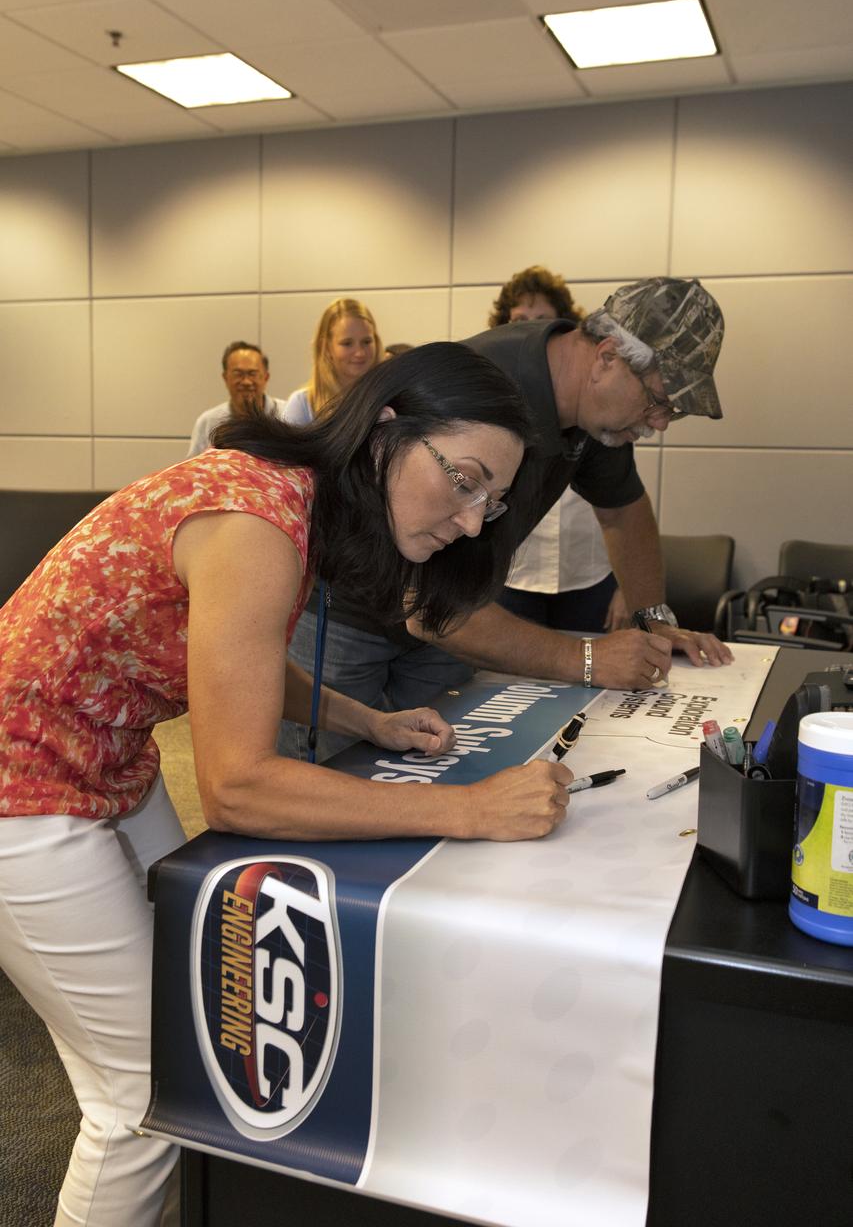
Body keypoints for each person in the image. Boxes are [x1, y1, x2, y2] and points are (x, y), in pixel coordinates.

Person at [0, 342, 572, 1227]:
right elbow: (237, 789)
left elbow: (237, 656)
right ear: (387, 431)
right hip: (20, 787)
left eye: (491, 502)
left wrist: (365, 722)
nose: (470, 521)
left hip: (101, 759)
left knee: (194, 1010)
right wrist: (466, 809)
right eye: (461, 480)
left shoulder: (286, 500)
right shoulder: (258, 517)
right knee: (145, 1092)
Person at [282, 277, 733, 763]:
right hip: (348, 615)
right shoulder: (497, 382)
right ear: (607, 357)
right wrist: (586, 659)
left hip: (444, 615)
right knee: (331, 788)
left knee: (434, 772)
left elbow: (624, 508)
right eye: (658, 400)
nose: (661, 421)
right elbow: (431, 610)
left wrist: (652, 622)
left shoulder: (596, 417)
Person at [489, 265, 629, 633]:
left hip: (588, 575)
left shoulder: (598, 403)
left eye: (542, 319)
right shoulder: (491, 394)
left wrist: (628, 588)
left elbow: (623, 504)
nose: (529, 328)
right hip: (514, 576)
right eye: (520, 318)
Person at [283, 298, 383, 426]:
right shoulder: (303, 404)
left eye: (366, 342)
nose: (360, 353)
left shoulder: (391, 399)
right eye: (347, 343)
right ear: (327, 347)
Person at [187, 340, 286, 457]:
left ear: (266, 377)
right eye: (238, 374)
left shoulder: (287, 414)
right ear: (225, 378)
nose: (246, 382)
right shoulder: (207, 422)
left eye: (252, 373)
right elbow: (194, 470)